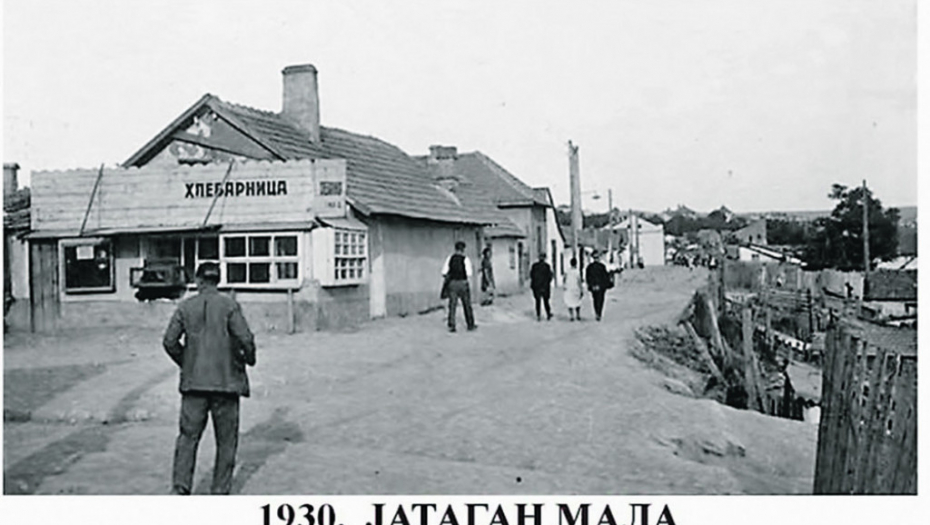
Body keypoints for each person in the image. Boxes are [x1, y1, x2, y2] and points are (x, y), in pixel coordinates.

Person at [163, 262, 256, 495]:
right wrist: (249, 359)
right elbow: (245, 338)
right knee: (226, 441)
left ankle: (181, 487)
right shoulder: (230, 305)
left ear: (198, 280)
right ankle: (220, 491)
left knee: (188, 437)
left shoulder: (185, 307)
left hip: (194, 384)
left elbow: (169, 342)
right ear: (218, 280)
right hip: (227, 383)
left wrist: (187, 362)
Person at [442, 241, 476, 332]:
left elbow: (444, 272)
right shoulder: (465, 259)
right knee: (467, 304)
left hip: (452, 283)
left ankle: (452, 325)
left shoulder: (450, 258)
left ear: (455, 249)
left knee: (452, 305)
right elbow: (469, 273)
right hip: (463, 283)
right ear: (463, 249)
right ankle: (470, 324)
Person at [585, 250, 612, 321]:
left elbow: (588, 277)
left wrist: (590, 285)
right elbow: (605, 277)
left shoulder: (590, 267)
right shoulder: (601, 266)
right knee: (600, 300)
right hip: (601, 286)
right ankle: (599, 313)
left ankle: (597, 312)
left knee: (595, 299)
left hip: (594, 286)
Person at [529, 252, 553, 321]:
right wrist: (547, 283)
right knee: (546, 301)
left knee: (538, 301)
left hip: (537, 286)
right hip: (545, 287)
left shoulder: (534, 266)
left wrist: (534, 284)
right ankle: (548, 314)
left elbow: (531, 275)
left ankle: (538, 315)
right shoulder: (547, 266)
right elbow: (550, 276)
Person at [563, 257, 584, 321]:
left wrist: (565, 286)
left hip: (569, 288)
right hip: (576, 288)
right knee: (577, 302)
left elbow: (564, 279)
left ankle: (571, 315)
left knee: (569, 302)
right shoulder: (577, 271)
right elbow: (579, 281)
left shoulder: (567, 271)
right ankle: (578, 315)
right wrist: (581, 289)